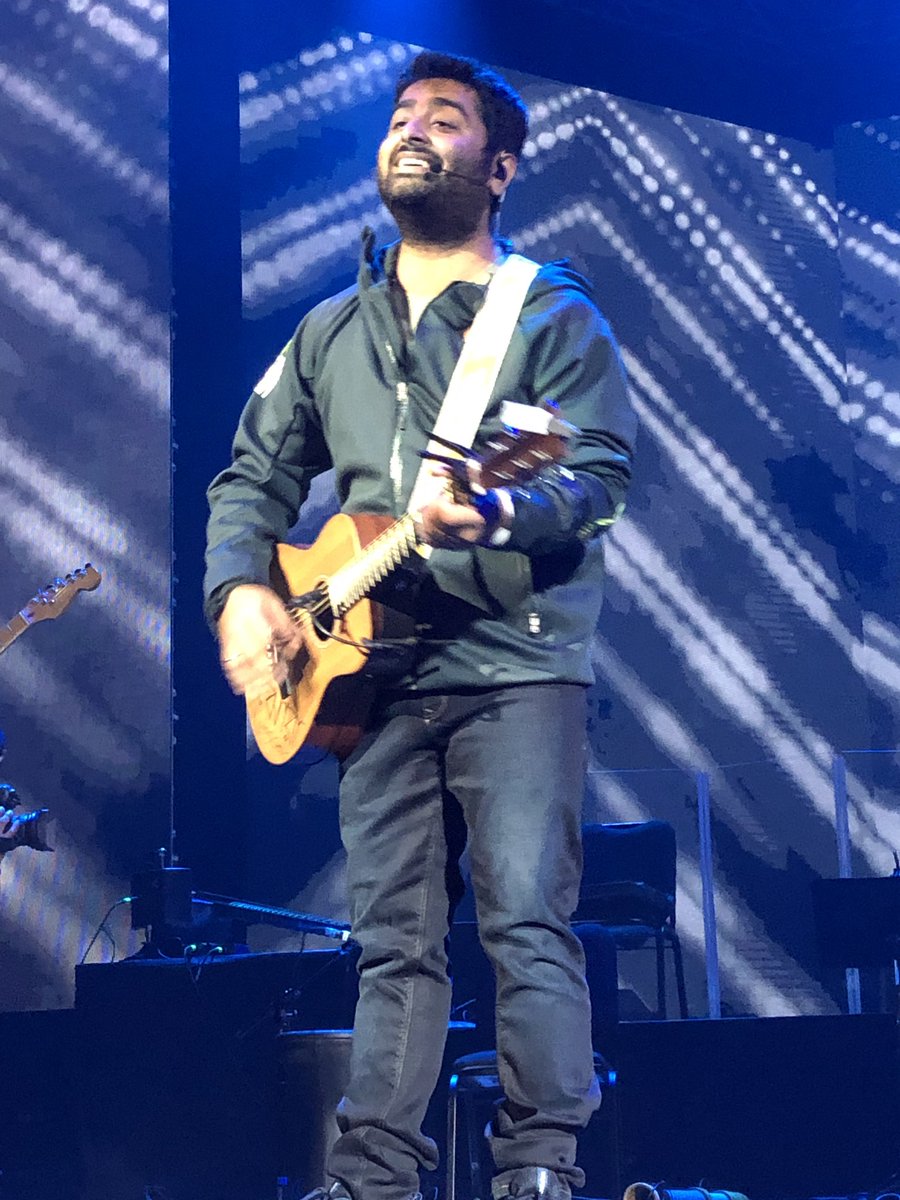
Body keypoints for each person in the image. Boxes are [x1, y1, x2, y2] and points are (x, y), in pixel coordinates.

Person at [204, 51, 636, 1200]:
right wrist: (240, 589)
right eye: (401, 115)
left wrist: (494, 506)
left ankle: (541, 1168)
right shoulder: (327, 333)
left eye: (444, 118)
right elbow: (249, 481)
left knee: (524, 920)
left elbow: (594, 474)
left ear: (497, 169)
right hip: (369, 675)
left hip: (516, 662)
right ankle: (370, 1179)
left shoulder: (549, 312)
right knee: (392, 940)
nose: (414, 128)